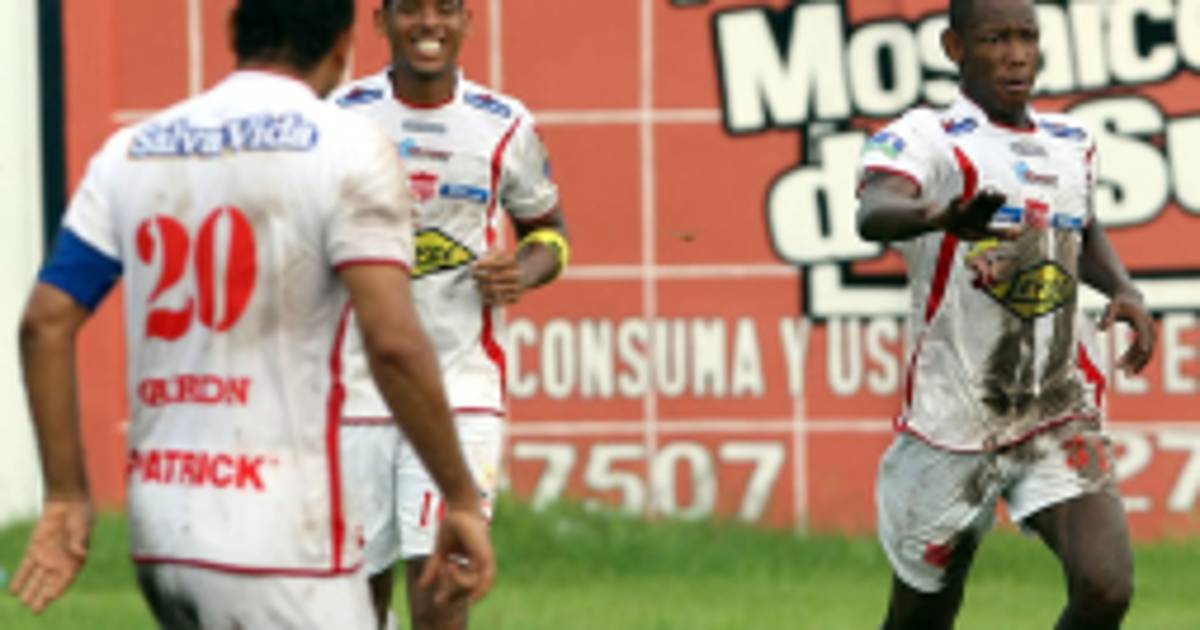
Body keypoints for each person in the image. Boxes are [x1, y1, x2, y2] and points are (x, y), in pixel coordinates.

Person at [9, 0, 495, 626]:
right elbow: (395, 344)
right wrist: (459, 497)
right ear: (343, 45)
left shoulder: (133, 150)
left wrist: (66, 494)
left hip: (164, 526)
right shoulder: (347, 148)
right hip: (282, 532)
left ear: (236, 35)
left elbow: (45, 321)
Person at [855, 0, 1156, 628]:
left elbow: (1080, 226)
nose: (1017, 55)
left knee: (1106, 588)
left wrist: (1124, 288)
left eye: (1027, 37)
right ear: (955, 48)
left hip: (1055, 410)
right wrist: (938, 216)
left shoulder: (1070, 142)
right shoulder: (927, 138)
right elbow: (875, 209)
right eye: (996, 39)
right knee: (921, 619)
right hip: (951, 425)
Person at [330, 0, 568, 627]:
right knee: (350, 604)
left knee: (441, 589)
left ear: (467, 21)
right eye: (411, 9)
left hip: (460, 388)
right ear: (381, 22)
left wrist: (522, 270)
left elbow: (550, 233)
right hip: (353, 391)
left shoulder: (503, 124)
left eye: (445, 9)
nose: (428, 24)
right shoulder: (339, 118)